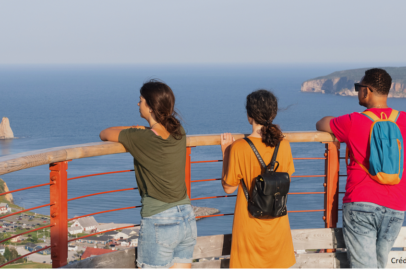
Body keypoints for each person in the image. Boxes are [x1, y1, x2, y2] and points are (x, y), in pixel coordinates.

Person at [315, 68, 406, 268]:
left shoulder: (353, 121)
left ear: (366, 91)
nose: (357, 92)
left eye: (357, 88)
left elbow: (321, 124)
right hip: (396, 204)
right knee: (379, 264)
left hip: (361, 202)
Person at [99, 79, 196, 269]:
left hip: (160, 220)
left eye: (141, 100)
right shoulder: (179, 132)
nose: (138, 103)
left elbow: (105, 133)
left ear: (151, 107)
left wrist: (137, 130)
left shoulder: (142, 138)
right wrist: (143, 130)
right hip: (186, 217)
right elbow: (156, 132)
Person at [219, 89, 296, 268]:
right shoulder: (284, 144)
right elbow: (287, 178)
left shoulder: (239, 148)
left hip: (249, 224)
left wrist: (226, 153)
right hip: (278, 222)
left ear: (249, 116)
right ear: (274, 114)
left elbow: (229, 188)